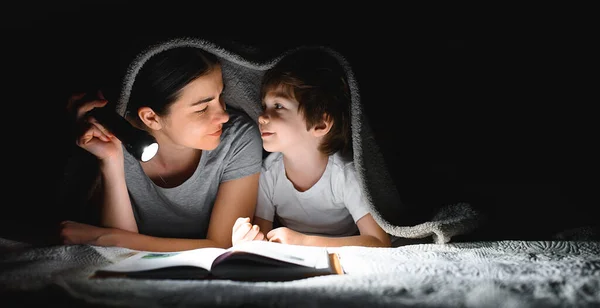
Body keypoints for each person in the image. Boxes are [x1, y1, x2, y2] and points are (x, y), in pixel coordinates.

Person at [59, 46, 263, 252]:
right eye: (202, 109)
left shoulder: (238, 138)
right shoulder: (114, 138)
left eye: (221, 97)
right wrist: (110, 160)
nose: (224, 116)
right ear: (151, 117)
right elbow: (120, 256)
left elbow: (223, 246)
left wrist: (104, 237)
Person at [231, 47, 391, 248]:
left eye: (278, 106)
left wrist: (304, 241)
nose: (262, 117)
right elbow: (263, 237)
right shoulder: (268, 175)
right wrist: (248, 238)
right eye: (265, 107)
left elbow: (379, 241)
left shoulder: (344, 175)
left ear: (320, 125)